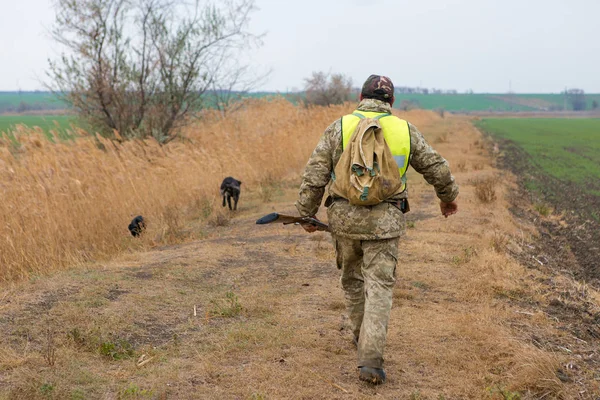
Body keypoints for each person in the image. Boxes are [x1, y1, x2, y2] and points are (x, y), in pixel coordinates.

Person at [295, 74, 459, 385]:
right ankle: (370, 358)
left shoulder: (340, 126)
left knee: (353, 281)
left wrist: (305, 213)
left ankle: (361, 339)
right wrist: (447, 198)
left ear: (360, 97)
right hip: (386, 222)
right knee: (380, 287)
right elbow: (437, 167)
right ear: (391, 102)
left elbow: (315, 173)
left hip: (344, 220)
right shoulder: (403, 129)